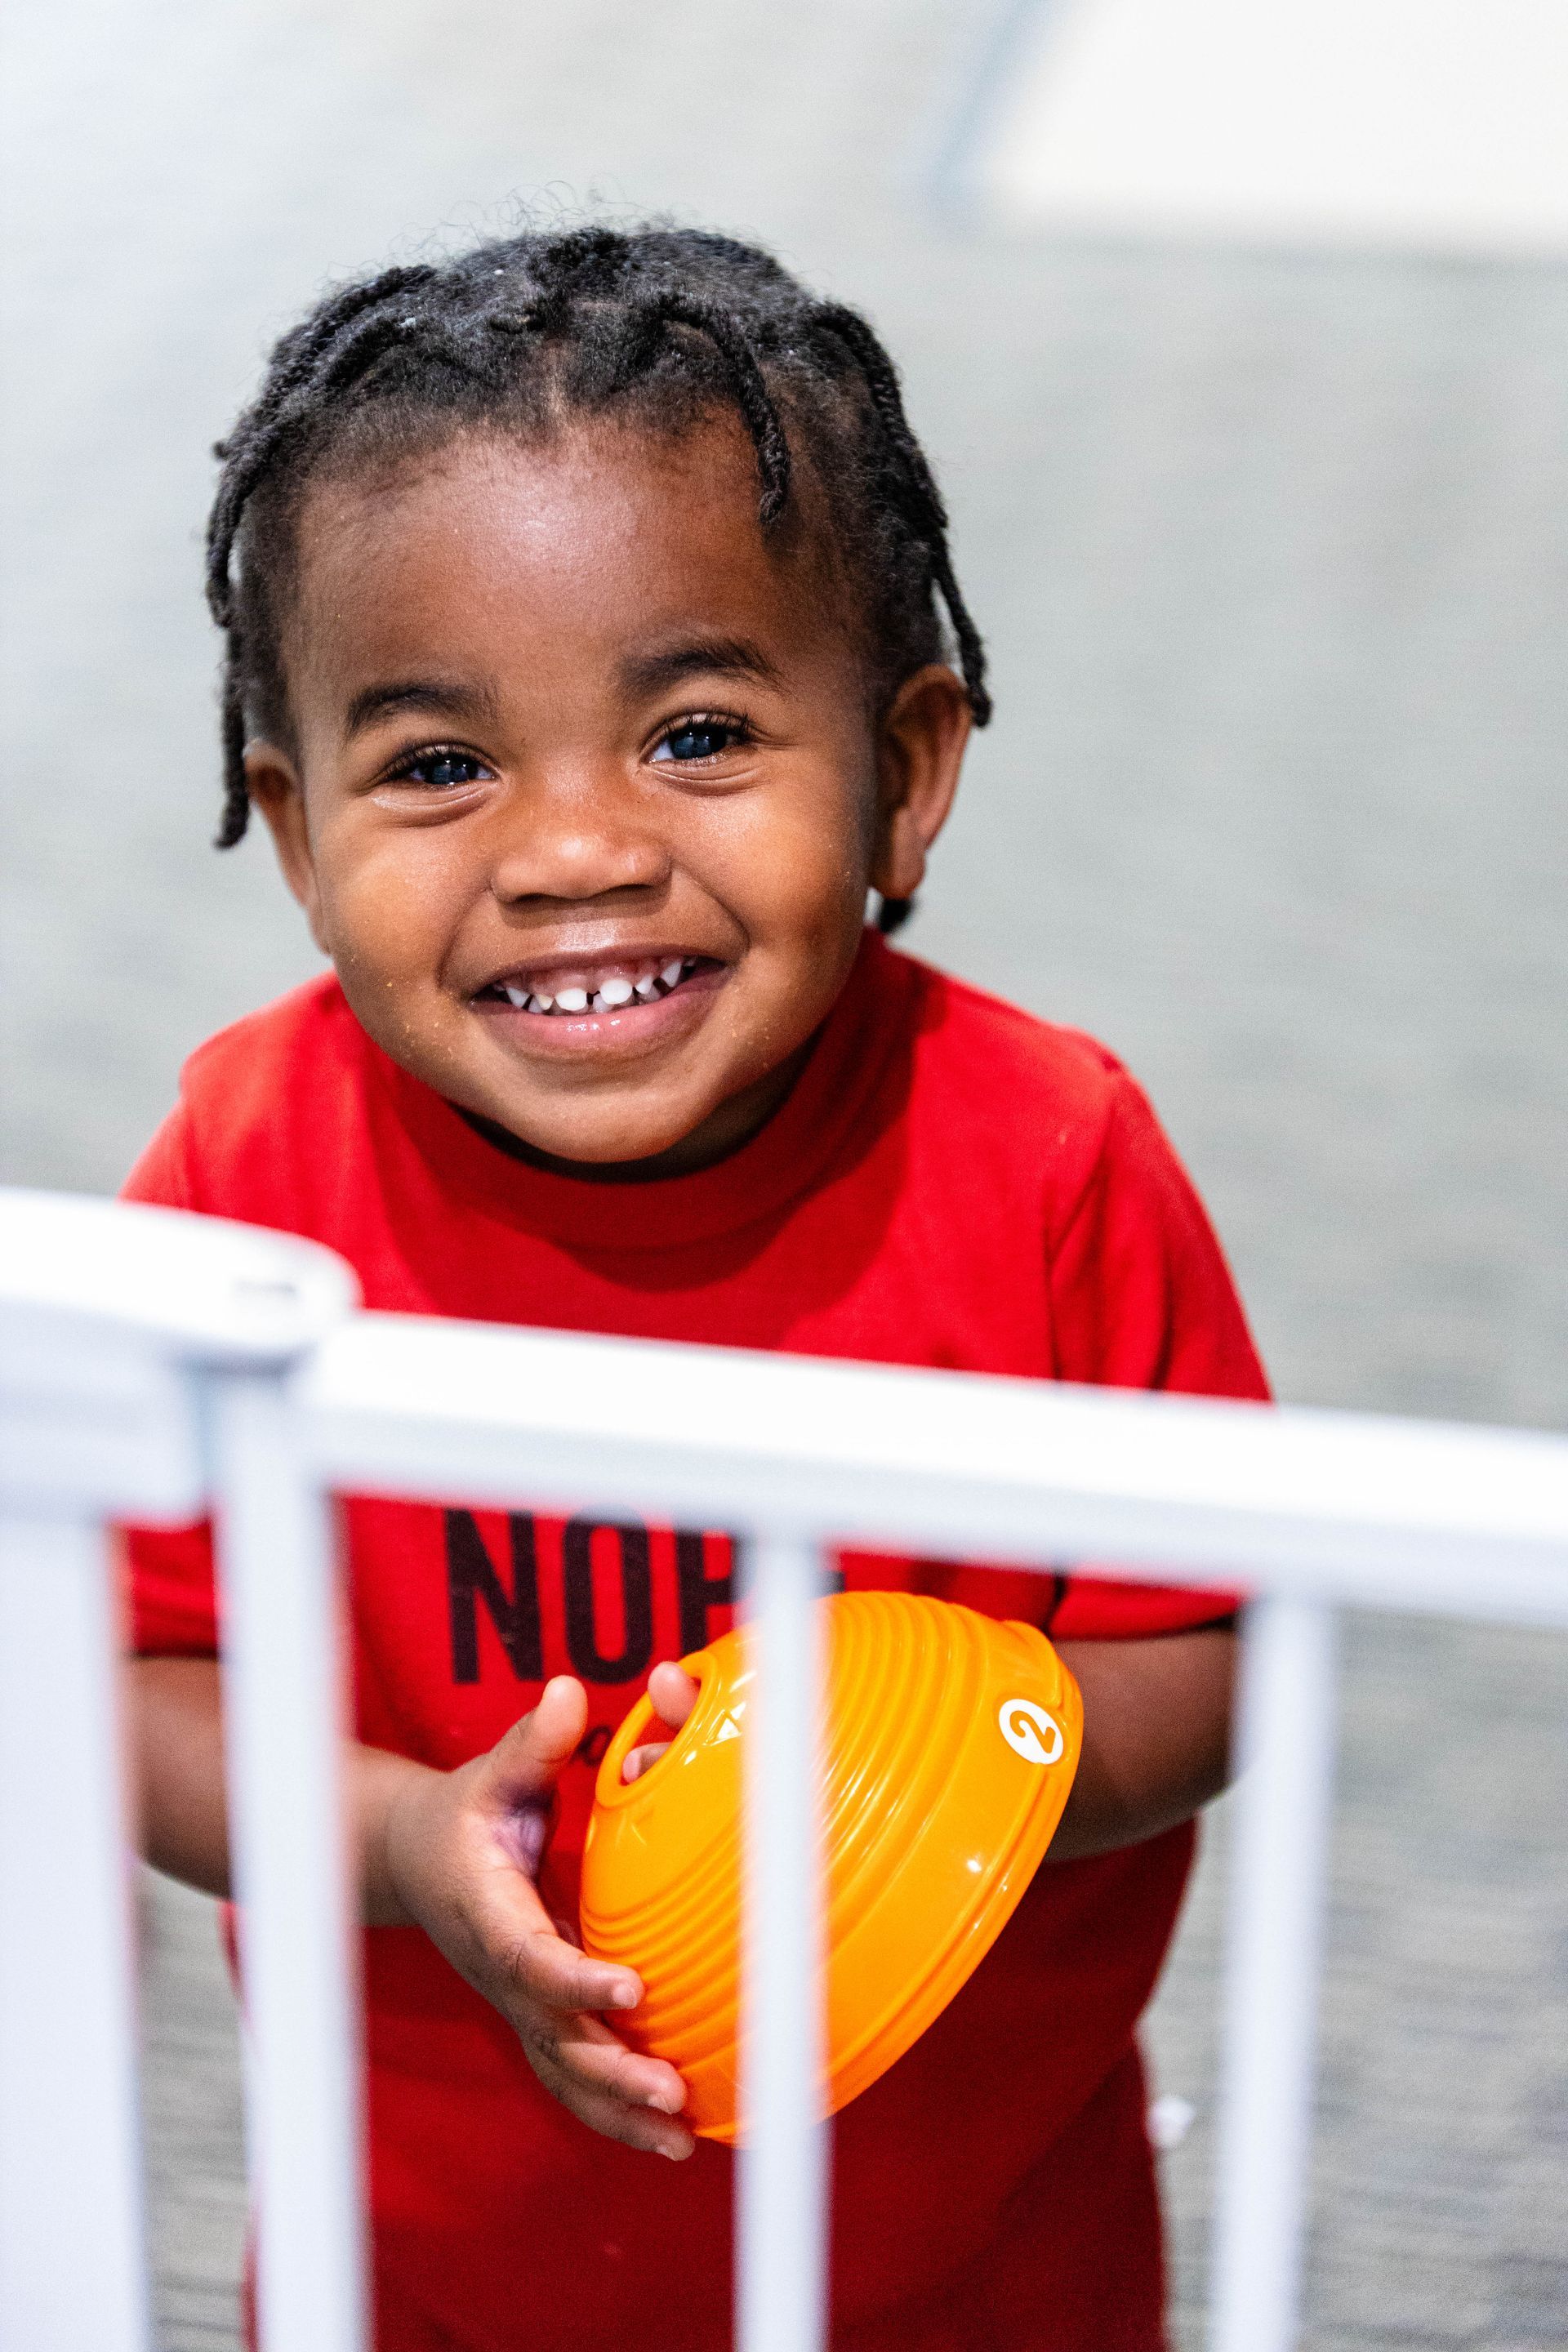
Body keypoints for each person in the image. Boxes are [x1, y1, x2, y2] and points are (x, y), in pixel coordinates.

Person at [123, 223, 1267, 2352]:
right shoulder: (243, 1177)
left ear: (906, 775)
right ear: (295, 835)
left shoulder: (1046, 1161)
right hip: (430, 2274)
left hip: (966, 2267)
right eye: (441, 766)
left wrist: (946, 1754)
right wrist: (390, 1838)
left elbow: (1202, 1644)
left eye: (700, 732)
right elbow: (128, 1687)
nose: (572, 852)